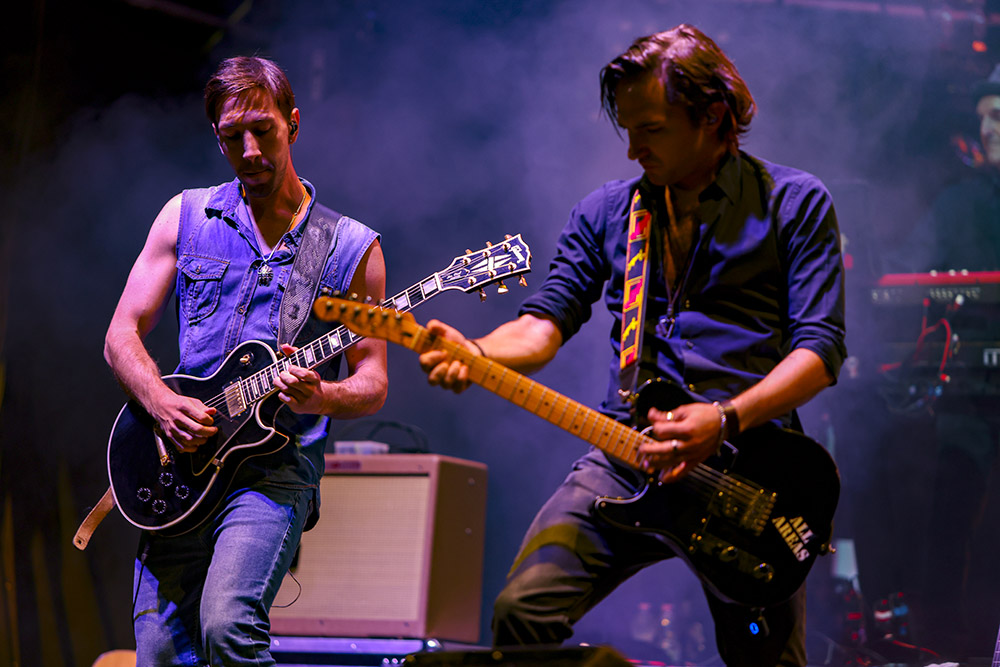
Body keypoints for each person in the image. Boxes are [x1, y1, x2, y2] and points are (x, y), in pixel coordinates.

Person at [418, 25, 846, 666]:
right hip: (627, 454)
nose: (632, 149)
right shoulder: (607, 213)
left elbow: (820, 352)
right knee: (522, 612)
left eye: (651, 129)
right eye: (627, 129)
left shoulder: (793, 202)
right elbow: (543, 325)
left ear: (712, 117)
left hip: (751, 471)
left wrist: (724, 418)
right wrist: (476, 351)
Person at [103, 56, 388, 665]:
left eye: (264, 130)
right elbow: (121, 333)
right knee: (158, 652)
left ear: (293, 124)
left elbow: (372, 381)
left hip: (272, 472)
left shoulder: (349, 248)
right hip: (180, 466)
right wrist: (162, 403)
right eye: (234, 137)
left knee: (228, 624)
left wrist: (322, 395)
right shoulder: (185, 217)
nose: (251, 151)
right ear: (217, 137)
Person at [903, 62, 1000, 658]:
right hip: (969, 389)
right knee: (954, 518)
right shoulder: (956, 203)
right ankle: (946, 647)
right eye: (983, 118)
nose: (988, 129)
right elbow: (909, 283)